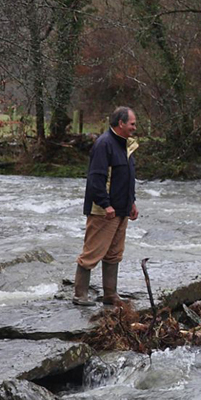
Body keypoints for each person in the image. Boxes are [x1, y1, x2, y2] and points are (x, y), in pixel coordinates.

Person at [73, 106, 139, 306]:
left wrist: (132, 202)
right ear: (121, 123)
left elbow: (125, 178)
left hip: (121, 209)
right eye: (132, 124)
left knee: (114, 254)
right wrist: (105, 205)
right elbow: (96, 179)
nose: (135, 128)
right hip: (104, 211)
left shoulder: (125, 145)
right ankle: (80, 295)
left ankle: (110, 295)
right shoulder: (104, 144)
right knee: (92, 253)